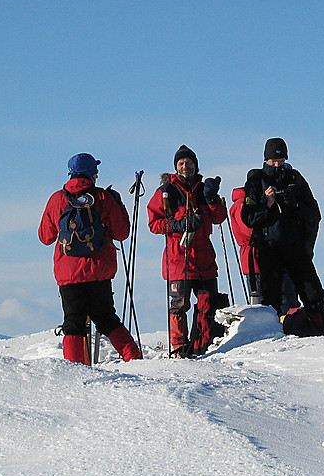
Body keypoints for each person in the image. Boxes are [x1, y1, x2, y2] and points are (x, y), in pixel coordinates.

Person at [38, 153, 142, 365]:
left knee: (73, 323)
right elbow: (121, 233)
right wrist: (119, 206)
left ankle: (76, 368)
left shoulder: (57, 199)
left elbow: (45, 237)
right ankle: (134, 358)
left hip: (68, 272)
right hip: (99, 269)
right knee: (106, 318)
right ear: (93, 173)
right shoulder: (103, 197)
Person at [240, 138, 324, 333]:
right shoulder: (256, 180)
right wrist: (267, 204)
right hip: (269, 247)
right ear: (265, 160)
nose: (277, 164)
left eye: (281, 160)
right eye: (273, 161)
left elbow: (315, 214)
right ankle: (270, 335)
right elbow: (248, 218)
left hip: (295, 246)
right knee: (271, 297)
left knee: (312, 292)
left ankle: (322, 330)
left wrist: (295, 205)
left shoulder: (294, 178)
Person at [147, 145, 228, 358]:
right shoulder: (166, 191)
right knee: (178, 308)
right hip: (178, 261)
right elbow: (153, 223)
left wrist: (212, 198)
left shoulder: (204, 188)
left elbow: (219, 218)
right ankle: (179, 349)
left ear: (195, 164)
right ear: (176, 167)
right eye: (181, 163)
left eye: (189, 162)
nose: (185, 166)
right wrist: (176, 225)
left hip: (204, 261)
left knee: (208, 307)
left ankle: (203, 345)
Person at [229, 186, 299, 312]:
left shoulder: (244, 203)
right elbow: (248, 229)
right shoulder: (242, 204)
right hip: (255, 260)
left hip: (264, 258)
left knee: (277, 300)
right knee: (265, 302)